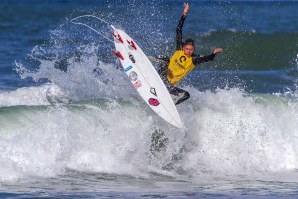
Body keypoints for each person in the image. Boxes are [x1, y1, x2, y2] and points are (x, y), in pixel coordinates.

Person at [151, 3, 222, 105]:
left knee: (186, 95)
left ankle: (171, 104)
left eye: (191, 49)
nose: (188, 51)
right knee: (166, 59)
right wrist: (184, 14)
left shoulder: (194, 59)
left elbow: (208, 58)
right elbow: (178, 30)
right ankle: (145, 59)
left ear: (194, 50)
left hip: (168, 85)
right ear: (183, 47)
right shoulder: (179, 49)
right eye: (187, 49)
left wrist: (214, 53)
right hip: (161, 75)